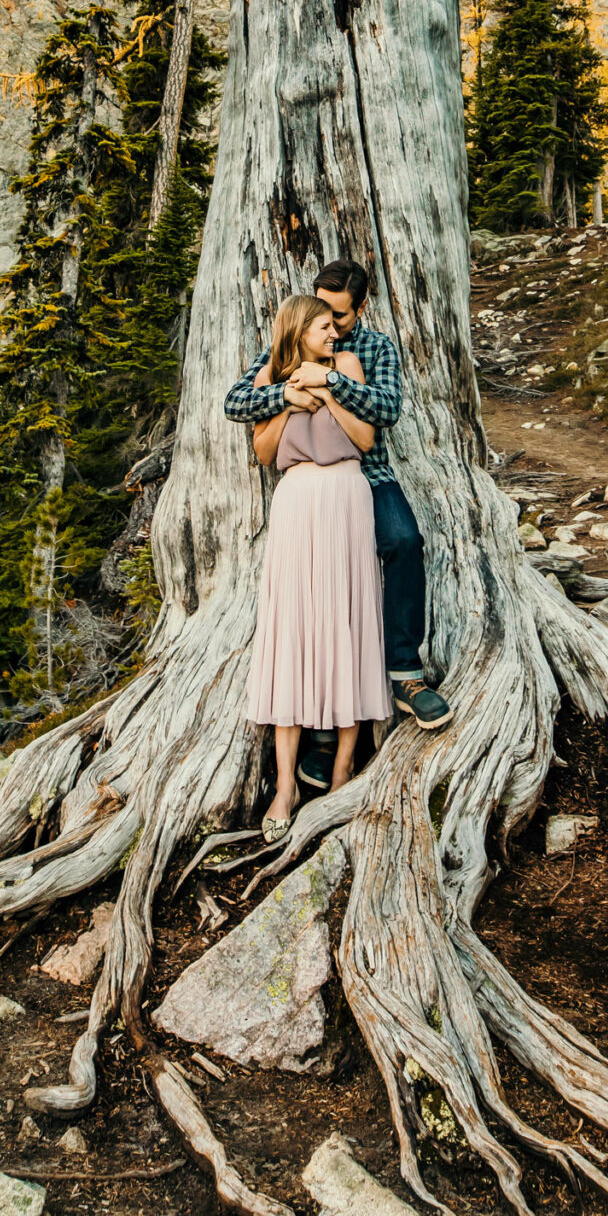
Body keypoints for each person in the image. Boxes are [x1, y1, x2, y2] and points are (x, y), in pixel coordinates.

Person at [225, 258, 452, 797]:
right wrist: (286, 394)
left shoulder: (371, 350)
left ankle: (404, 673)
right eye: (322, 311)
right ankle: (322, 738)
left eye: (340, 316)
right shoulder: (288, 345)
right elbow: (238, 400)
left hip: (365, 475)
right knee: (316, 602)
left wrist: (328, 380)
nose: (330, 321)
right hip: (307, 488)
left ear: (361, 308)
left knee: (402, 540)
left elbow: (386, 408)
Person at [244, 292, 390, 838]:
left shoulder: (348, 367)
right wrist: (288, 399)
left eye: (336, 326)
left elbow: (366, 437)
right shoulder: (269, 376)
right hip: (297, 502)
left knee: (348, 624)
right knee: (293, 633)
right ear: (300, 329)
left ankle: (342, 772)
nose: (335, 334)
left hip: (348, 496)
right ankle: (285, 785)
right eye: (325, 327)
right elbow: (263, 453)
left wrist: (327, 392)